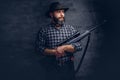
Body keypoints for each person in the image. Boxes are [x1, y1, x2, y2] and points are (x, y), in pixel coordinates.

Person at [35, 2, 82, 80]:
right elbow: (38, 48)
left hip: (68, 67)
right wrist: (54, 52)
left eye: (63, 12)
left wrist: (65, 47)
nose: (62, 14)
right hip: (52, 68)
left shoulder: (70, 29)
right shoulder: (44, 30)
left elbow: (79, 45)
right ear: (51, 14)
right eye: (58, 12)